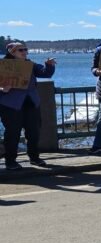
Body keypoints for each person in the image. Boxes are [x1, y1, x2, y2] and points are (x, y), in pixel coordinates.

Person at [0, 42, 56, 170]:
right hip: (10, 105)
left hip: (31, 103)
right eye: (21, 50)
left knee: (33, 132)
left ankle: (34, 158)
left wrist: (49, 65)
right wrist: (2, 88)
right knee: (12, 133)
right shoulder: (3, 65)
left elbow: (45, 73)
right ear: (12, 52)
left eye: (25, 49)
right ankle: (10, 161)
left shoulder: (30, 64)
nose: (24, 52)